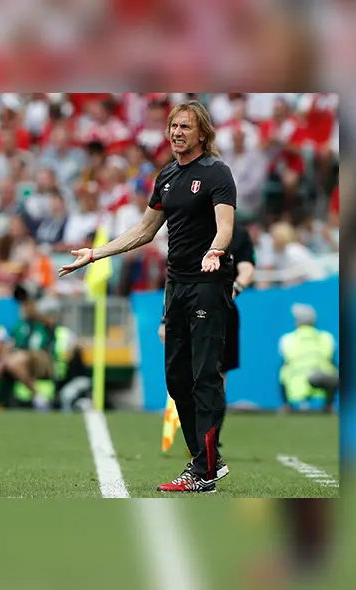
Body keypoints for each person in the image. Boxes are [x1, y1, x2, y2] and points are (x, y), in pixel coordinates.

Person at [60, 100, 237, 492]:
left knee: (204, 375)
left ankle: (204, 469)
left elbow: (225, 226)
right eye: (173, 126)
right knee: (176, 378)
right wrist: (96, 253)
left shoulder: (216, 173)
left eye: (186, 127)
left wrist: (215, 249)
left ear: (202, 134)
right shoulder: (168, 175)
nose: (176, 132)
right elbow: (143, 230)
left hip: (208, 284)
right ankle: (206, 461)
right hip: (176, 287)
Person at [159, 218, 255, 447]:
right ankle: (196, 435)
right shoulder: (189, 227)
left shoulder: (237, 233)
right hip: (184, 306)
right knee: (183, 373)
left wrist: (234, 289)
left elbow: (247, 268)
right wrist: (165, 318)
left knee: (216, 375)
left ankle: (210, 438)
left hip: (220, 309)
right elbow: (173, 276)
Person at [278, 304, 338, 414]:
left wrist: (285, 402)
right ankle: (329, 406)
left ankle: (285, 406)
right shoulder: (326, 338)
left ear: (297, 321)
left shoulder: (287, 340)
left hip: (294, 396)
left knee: (283, 369)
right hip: (321, 395)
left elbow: (283, 373)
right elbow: (333, 367)